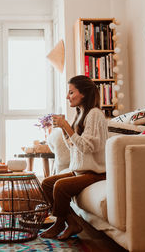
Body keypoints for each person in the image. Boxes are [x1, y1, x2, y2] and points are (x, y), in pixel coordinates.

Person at [40, 75, 108, 240]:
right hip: (80, 170)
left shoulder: (94, 114)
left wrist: (67, 128)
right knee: (46, 183)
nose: (67, 96)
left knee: (60, 187)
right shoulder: (81, 113)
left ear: (83, 93)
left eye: (71, 92)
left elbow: (87, 147)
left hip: (95, 172)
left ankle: (60, 223)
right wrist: (65, 129)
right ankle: (71, 222)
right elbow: (73, 146)